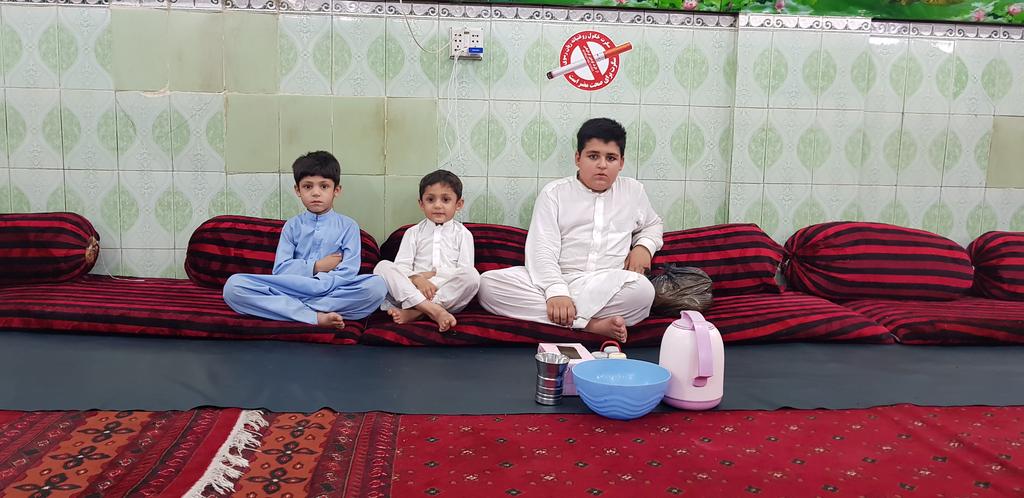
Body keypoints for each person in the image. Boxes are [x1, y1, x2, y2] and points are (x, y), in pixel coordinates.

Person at [477, 118, 664, 343]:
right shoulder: (554, 193)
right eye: (593, 156)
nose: (602, 165)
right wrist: (556, 291)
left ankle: (566, 318)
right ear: (578, 158)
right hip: (558, 277)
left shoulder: (633, 191)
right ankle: (590, 325)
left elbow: (653, 224)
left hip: (607, 283)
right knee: (487, 286)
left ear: (621, 162)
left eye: (611, 158)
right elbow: (542, 249)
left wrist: (644, 247)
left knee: (643, 292)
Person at [223, 151, 386, 329]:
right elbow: (280, 269)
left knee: (377, 286)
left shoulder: (349, 226)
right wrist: (316, 266)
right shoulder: (292, 226)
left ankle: (292, 310)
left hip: (332, 290)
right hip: (290, 289)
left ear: (336, 190)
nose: (316, 193)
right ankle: (315, 315)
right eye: (308, 186)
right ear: (297, 190)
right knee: (233, 287)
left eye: (324, 186)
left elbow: (348, 271)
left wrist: (320, 284)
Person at [373, 170, 480, 332]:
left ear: (458, 204)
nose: (437, 205)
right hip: (413, 290)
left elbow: (464, 270)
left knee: (473, 276)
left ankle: (417, 312)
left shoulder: (463, 234)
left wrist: (433, 275)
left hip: (446, 293)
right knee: (382, 266)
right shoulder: (413, 233)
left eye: (446, 200)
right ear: (421, 204)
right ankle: (434, 311)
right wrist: (418, 279)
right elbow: (401, 267)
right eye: (430, 199)